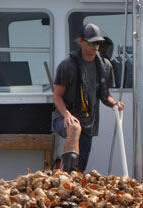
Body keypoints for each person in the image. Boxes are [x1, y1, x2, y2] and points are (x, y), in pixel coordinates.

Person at [52, 23, 124, 172]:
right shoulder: (67, 66)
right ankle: (67, 176)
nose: (95, 46)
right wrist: (66, 115)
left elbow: (105, 96)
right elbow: (57, 96)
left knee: (81, 166)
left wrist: (115, 104)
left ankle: (74, 179)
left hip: (89, 122)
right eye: (92, 42)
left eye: (98, 42)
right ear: (81, 41)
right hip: (64, 117)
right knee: (74, 127)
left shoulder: (105, 66)